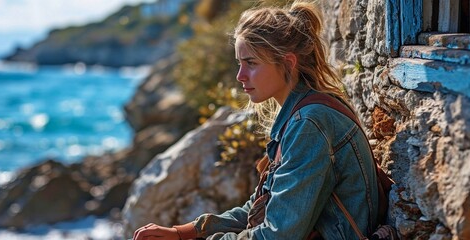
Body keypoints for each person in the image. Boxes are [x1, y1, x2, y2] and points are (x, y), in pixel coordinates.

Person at [133, 1, 379, 239]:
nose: (240, 76)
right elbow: (261, 206)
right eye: (240, 63)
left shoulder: (309, 124)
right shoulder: (302, 114)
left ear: (287, 62)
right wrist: (183, 233)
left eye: (251, 63)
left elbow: (277, 235)